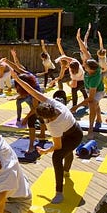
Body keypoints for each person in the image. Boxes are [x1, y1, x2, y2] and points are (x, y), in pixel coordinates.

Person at [12, 69, 83, 204]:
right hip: (69, 129)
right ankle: (66, 171)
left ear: (48, 118)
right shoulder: (53, 104)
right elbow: (33, 91)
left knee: (57, 156)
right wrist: (18, 80)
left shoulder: (54, 125)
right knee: (66, 152)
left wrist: (45, 151)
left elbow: (57, 146)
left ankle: (59, 192)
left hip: (75, 135)